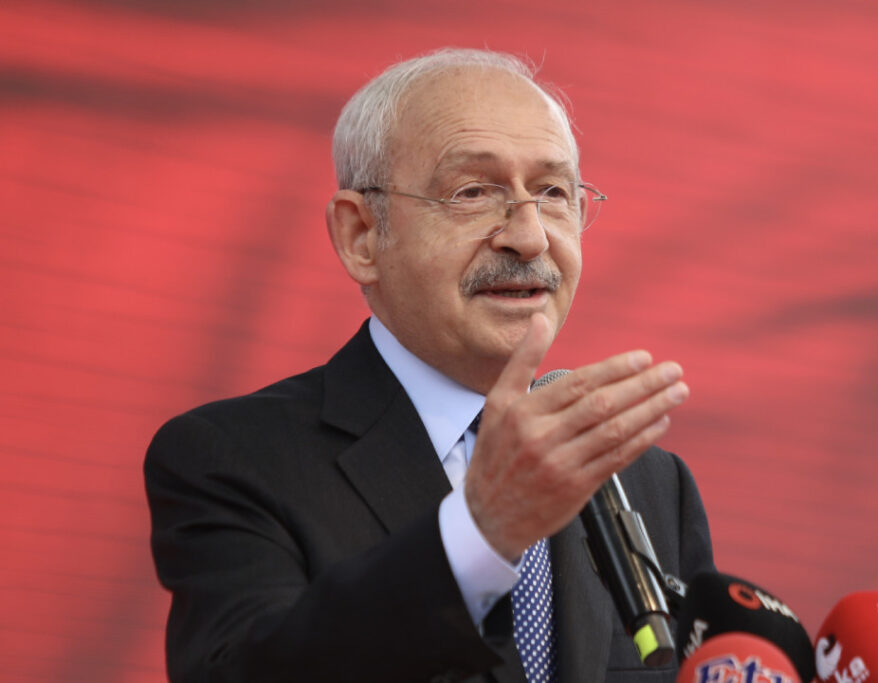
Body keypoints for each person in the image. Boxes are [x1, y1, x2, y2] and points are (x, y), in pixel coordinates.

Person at [145, 47, 714, 683]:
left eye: (553, 193)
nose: (529, 237)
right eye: (473, 193)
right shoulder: (234, 458)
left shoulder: (651, 484)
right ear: (362, 236)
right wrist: (481, 534)